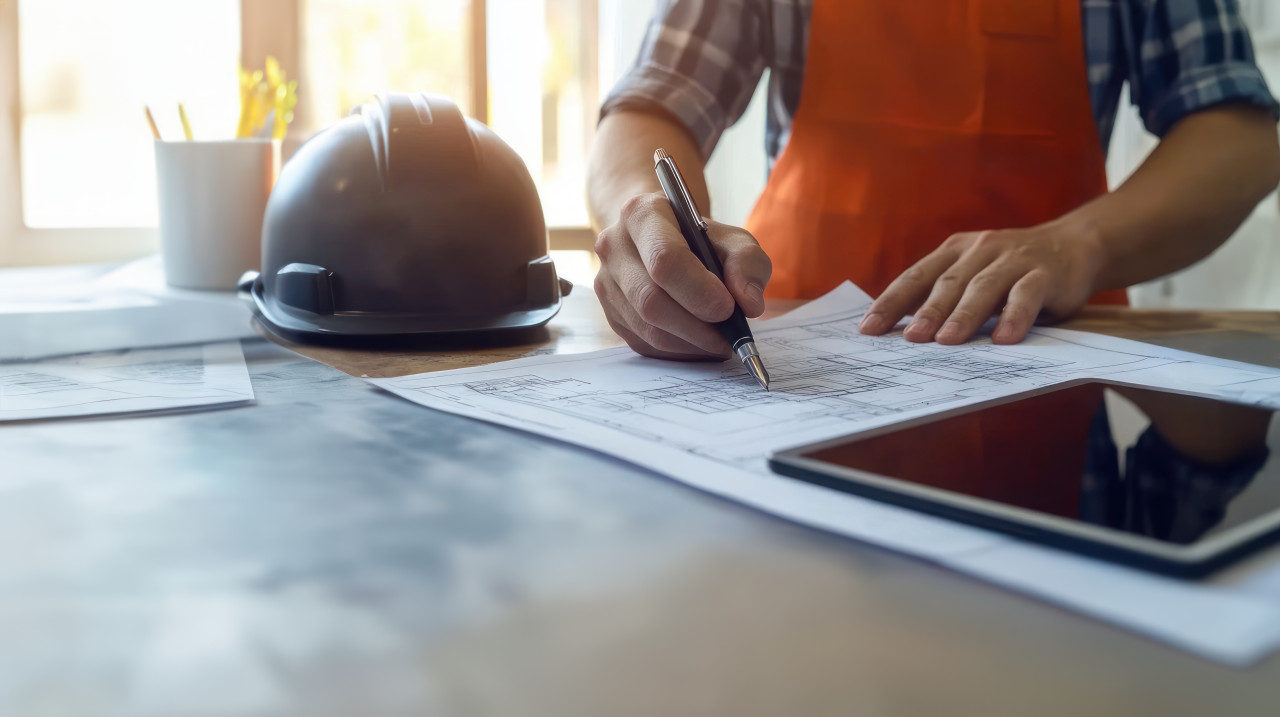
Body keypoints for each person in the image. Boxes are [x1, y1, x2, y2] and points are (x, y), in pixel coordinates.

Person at [587, 0, 1280, 360]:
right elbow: (655, 103)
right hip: (798, 346)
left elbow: (1240, 137)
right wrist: (646, 219)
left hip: (1051, 359)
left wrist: (1078, 245)